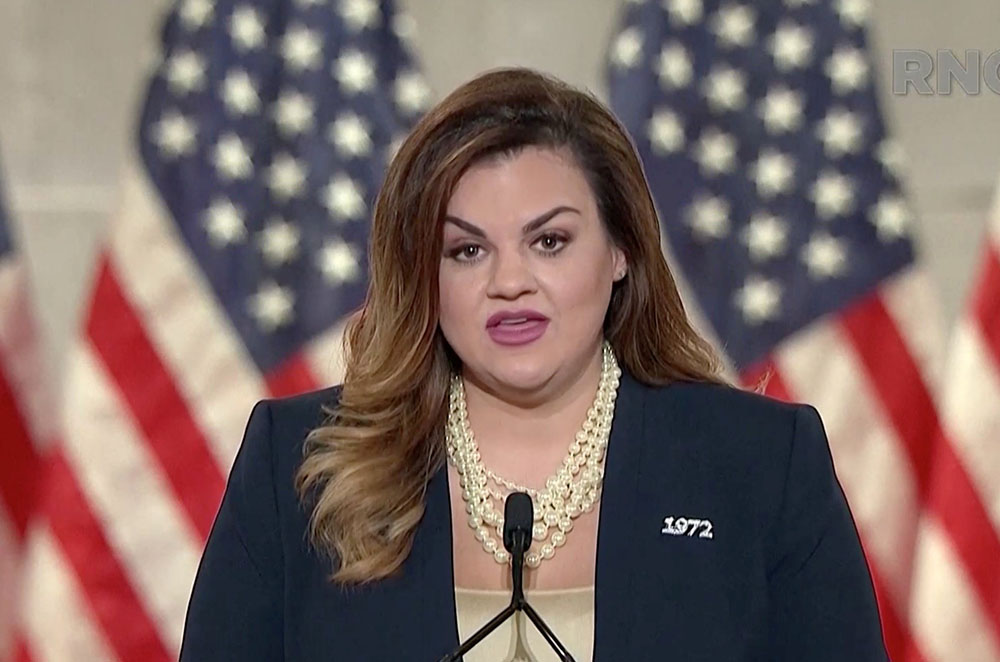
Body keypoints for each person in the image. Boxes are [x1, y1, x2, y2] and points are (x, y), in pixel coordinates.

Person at [178, 67, 888, 661]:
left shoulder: (759, 464)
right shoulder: (299, 465)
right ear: (424, 275)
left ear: (621, 252)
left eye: (548, 242)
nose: (509, 281)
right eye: (467, 250)